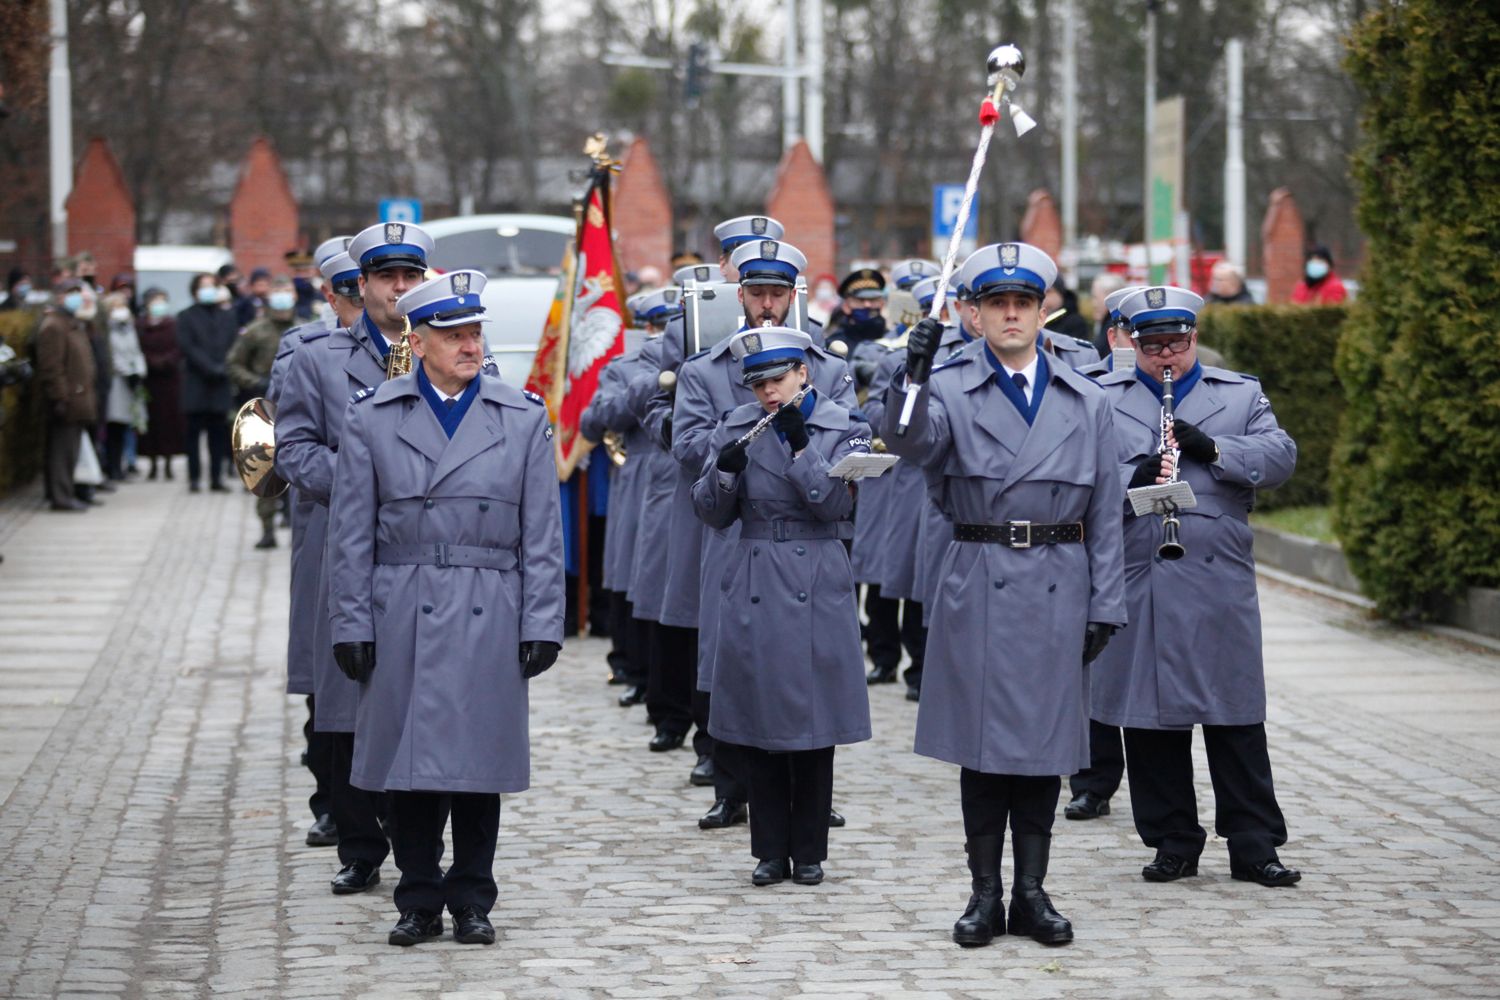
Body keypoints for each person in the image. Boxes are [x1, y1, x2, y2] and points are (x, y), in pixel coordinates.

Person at [884, 241, 1127, 947]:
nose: (1013, 313)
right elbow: (903, 444)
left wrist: (1107, 602)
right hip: (978, 578)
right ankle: (984, 894)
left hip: (1059, 581)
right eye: (997, 303)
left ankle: (1033, 892)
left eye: (1024, 302)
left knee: (1044, 747)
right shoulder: (950, 387)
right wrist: (912, 373)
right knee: (984, 750)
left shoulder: (1085, 398)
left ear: (1045, 308)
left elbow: (1107, 512)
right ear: (976, 314)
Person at [327, 269, 564, 946]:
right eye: (454, 334)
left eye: (475, 331)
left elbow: (542, 534)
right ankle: (417, 896)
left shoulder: (520, 417)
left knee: (477, 764)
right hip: (402, 605)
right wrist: (351, 621)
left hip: (490, 604)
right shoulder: (373, 417)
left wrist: (542, 622)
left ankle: (472, 897)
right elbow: (350, 536)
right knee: (409, 767)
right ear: (419, 339)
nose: (469, 344)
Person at [1091, 285, 1303, 889]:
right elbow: (1074, 474)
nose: (1166, 357)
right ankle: (1173, 840)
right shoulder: (1099, 397)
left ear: (1193, 339)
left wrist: (1216, 449)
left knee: (1235, 712)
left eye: (1177, 344)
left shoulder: (1238, 394)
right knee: (1149, 715)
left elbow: (1281, 455)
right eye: (1152, 345)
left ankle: (1254, 842)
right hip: (1140, 570)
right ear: (1130, 343)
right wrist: (1126, 477)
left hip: (1216, 576)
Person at [656, 237, 857, 831]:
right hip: (738, 528)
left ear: (793, 295)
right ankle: (730, 783)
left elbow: (843, 440)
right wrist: (738, 438)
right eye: (756, 293)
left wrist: (793, 443)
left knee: (808, 665)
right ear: (738, 293)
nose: (767, 304)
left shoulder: (826, 365)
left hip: (807, 529)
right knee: (730, 662)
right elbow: (685, 444)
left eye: (777, 293)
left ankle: (811, 793)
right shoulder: (705, 367)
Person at [277, 221, 435, 898]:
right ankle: (358, 841)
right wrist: (365, 474)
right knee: (342, 694)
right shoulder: (315, 358)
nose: (398, 291)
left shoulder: (444, 345)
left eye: (409, 278)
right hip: (344, 540)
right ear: (360, 285)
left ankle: (416, 833)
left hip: (418, 549)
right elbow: (293, 450)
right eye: (385, 279)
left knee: (411, 691)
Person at [691, 327, 872, 887]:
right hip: (755, 572)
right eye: (759, 384)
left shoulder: (849, 428)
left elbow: (836, 505)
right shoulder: (737, 426)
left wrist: (801, 448)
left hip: (817, 572)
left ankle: (810, 849)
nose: (769, 394)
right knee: (759, 719)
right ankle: (769, 850)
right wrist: (723, 472)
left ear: (803, 373)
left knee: (815, 724)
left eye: (778, 380)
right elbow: (711, 514)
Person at [580, 287, 683, 708]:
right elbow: (596, 420)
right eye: (657, 327)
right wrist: (649, 381)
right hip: (640, 473)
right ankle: (633, 665)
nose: (662, 336)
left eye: (670, 327)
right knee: (634, 574)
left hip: (682, 472)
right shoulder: (624, 367)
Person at [228, 276, 299, 548]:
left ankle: (293, 518)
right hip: (263, 411)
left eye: (287, 290)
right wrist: (255, 382)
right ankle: (267, 527)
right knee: (263, 468)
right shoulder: (255, 331)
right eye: (277, 291)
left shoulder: (307, 329)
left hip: (298, 409)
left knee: (297, 468)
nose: (282, 296)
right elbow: (233, 364)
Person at [34, 279, 99, 511]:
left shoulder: (72, 323)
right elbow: (51, 367)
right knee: (61, 451)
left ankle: (66, 492)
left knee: (70, 450)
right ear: (59, 296)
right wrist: (60, 397)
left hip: (78, 398)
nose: (77, 298)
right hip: (68, 399)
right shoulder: (54, 325)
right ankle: (61, 496)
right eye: (70, 293)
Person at [176, 273, 239, 492]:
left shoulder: (227, 316)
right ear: (195, 290)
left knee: (218, 434)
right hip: (196, 381)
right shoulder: (186, 316)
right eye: (203, 286)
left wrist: (224, 366)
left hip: (221, 382)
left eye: (212, 285)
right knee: (193, 434)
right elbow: (188, 347)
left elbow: (234, 344)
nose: (208, 289)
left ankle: (216, 478)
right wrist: (210, 367)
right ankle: (194, 478)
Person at [136, 288, 184, 480]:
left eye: (162, 300)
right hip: (149, 381)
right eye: (155, 301)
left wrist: (165, 361)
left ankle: (168, 463)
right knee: (151, 424)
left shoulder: (173, 325)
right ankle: (153, 463)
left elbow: (179, 348)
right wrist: (149, 361)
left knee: (169, 423)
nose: (159, 305)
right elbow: (136, 348)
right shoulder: (139, 326)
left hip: (170, 381)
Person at [102, 291, 146, 482]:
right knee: (113, 428)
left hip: (130, 383)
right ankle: (112, 467)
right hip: (117, 383)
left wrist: (139, 371)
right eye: (116, 307)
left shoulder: (129, 328)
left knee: (124, 428)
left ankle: (121, 465)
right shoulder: (107, 330)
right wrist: (127, 372)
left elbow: (136, 352)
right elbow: (112, 356)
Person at [825, 267, 888, 353]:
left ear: (882, 304)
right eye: (860, 300)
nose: (867, 305)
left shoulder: (892, 339)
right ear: (846, 307)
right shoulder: (834, 344)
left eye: (873, 299)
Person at [1088, 272, 1126, 354]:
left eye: (1096, 298)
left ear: (1111, 300)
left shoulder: (1116, 327)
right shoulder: (1107, 323)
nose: (1093, 304)